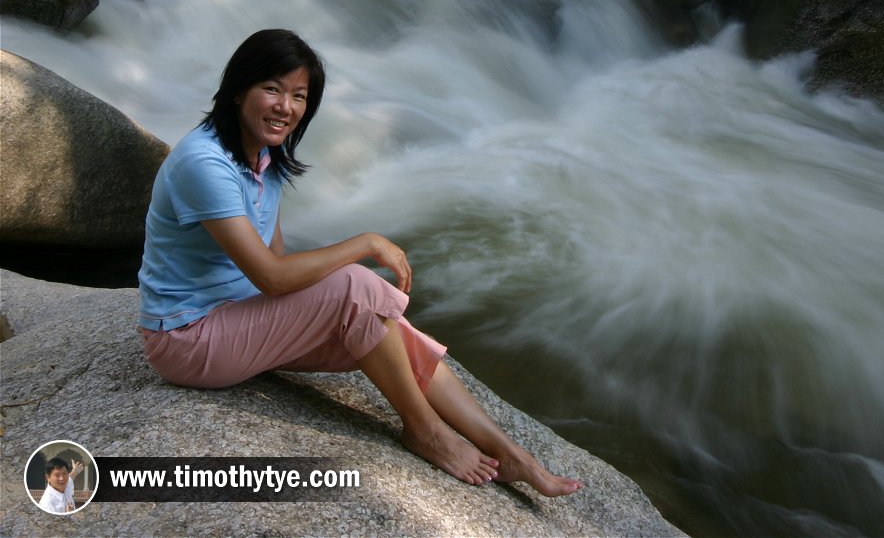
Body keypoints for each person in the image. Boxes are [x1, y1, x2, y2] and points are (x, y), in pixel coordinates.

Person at [137, 29, 580, 497]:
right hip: (187, 339)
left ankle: (508, 452)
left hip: (236, 317)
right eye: (271, 89)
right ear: (236, 91)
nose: (285, 107)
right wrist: (363, 243)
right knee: (357, 287)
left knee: (385, 324)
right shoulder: (204, 163)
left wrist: (333, 302)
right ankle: (425, 431)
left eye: (298, 95)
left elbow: (276, 263)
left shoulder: (262, 157)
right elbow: (271, 276)